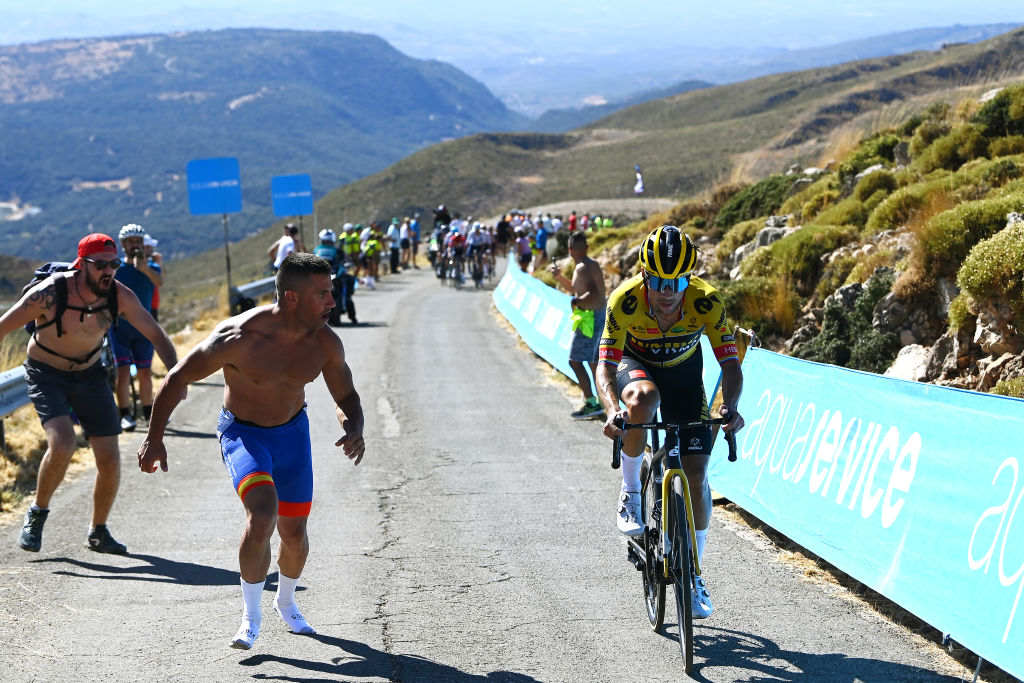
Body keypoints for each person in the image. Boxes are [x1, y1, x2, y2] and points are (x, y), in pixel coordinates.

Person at [137, 252, 365, 650]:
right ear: (292, 298)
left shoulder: (326, 343)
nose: (332, 301)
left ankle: (287, 603)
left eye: (331, 293)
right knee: (262, 515)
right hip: (244, 435)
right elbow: (177, 379)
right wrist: (155, 438)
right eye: (323, 294)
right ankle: (250, 617)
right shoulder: (239, 337)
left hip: (292, 436)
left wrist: (354, 427)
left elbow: (345, 395)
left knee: (294, 534)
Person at [597, 225, 743, 620]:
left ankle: (693, 573)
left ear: (688, 278)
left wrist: (729, 406)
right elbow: (605, 367)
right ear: (645, 275)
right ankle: (630, 490)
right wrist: (613, 409)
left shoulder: (706, 302)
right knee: (643, 400)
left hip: (683, 374)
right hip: (637, 365)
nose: (667, 290)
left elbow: (731, 365)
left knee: (696, 476)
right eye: (658, 279)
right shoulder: (624, 301)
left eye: (676, 280)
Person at [0, 233, 177, 554]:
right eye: (101, 265)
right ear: (81, 265)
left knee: (109, 458)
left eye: (115, 264)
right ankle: (37, 514)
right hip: (46, 374)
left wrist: (178, 376)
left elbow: (155, 333)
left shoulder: (118, 295)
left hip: (91, 375)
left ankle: (98, 531)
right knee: (63, 442)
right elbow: (2, 327)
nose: (109, 271)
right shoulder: (49, 293)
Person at [110, 223, 165, 432]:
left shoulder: (151, 266)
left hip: (144, 327)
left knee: (144, 372)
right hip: (119, 327)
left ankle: (149, 413)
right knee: (123, 372)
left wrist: (144, 268)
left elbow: (159, 282)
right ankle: (125, 414)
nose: (135, 245)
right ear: (123, 244)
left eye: (138, 241)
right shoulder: (116, 267)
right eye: (131, 241)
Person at [550, 231, 606, 419]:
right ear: (587, 247)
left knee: (575, 361)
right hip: (594, 317)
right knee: (593, 363)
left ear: (570, 249)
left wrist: (576, 302)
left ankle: (592, 403)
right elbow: (577, 289)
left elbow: (590, 293)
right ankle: (600, 402)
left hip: (589, 319)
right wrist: (559, 278)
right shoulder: (590, 265)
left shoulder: (582, 267)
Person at [144, 234, 163, 322]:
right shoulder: (147, 266)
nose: (153, 250)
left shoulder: (153, 265)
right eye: (151, 247)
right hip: (148, 305)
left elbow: (161, 279)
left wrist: (158, 264)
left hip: (153, 304)